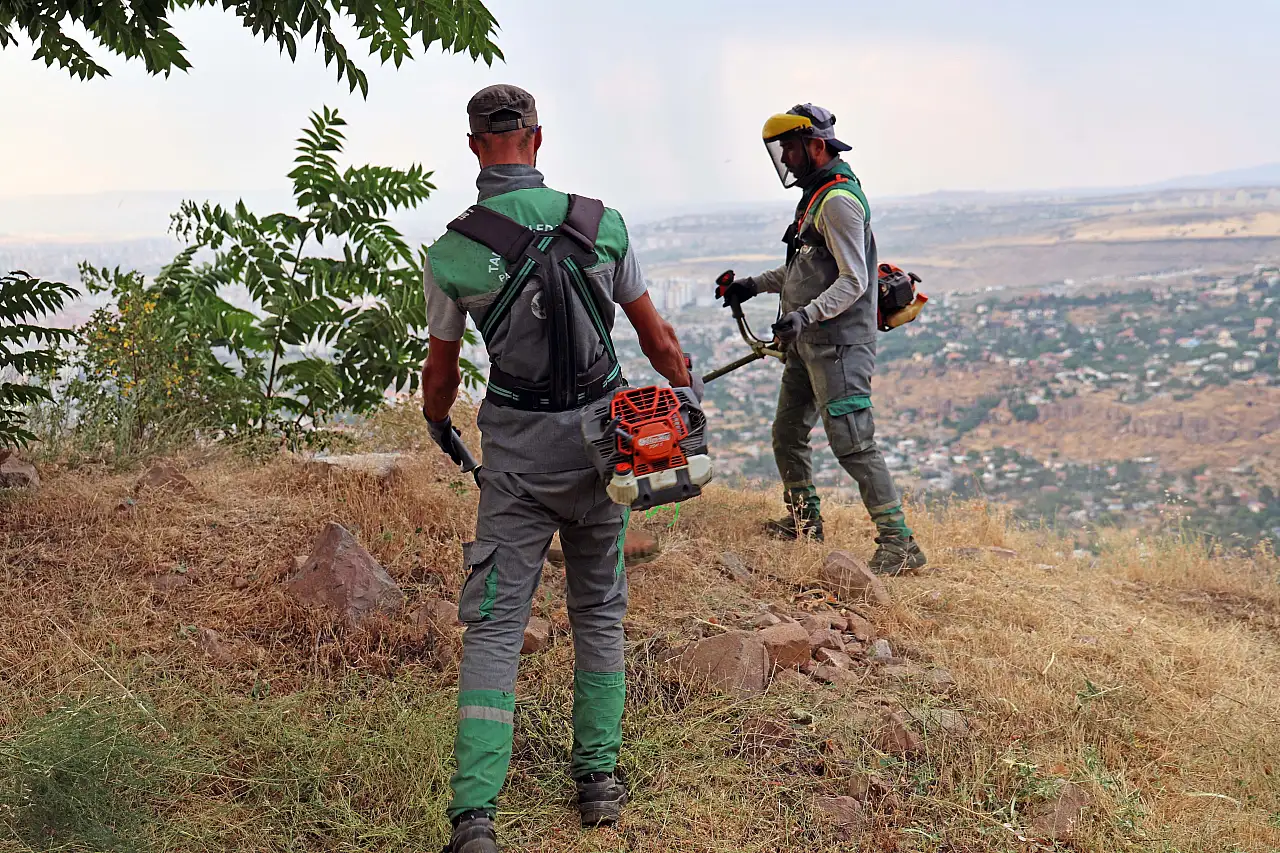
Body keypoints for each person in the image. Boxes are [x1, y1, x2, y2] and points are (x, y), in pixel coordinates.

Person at [420, 84, 699, 853]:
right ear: (537, 140)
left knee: (495, 624)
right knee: (599, 606)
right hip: (603, 446)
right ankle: (598, 783)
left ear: (476, 145)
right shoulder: (600, 224)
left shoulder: (451, 252)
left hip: (514, 461)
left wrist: (438, 421)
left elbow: (440, 381)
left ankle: (475, 816)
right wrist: (687, 396)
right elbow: (659, 340)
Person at [718, 103, 927, 575]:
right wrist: (752, 285)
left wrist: (805, 315)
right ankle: (803, 521)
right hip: (809, 341)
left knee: (854, 445)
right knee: (787, 434)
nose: (785, 158)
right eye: (781, 150)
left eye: (790, 148)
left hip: (837, 346)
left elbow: (854, 280)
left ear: (816, 145)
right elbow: (806, 269)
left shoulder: (837, 202)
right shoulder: (815, 197)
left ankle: (901, 544)